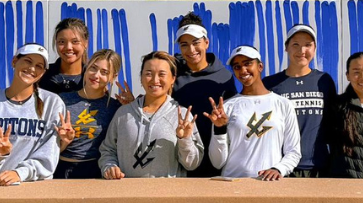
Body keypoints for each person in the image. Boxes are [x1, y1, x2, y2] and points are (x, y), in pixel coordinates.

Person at [0, 44, 65, 186]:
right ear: (14, 61)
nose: (32, 68)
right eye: (28, 61)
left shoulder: (52, 103)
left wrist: (19, 173)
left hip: (34, 188)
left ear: (43, 72)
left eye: (39, 66)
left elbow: (48, 155)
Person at [99, 51, 203, 178]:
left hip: (167, 195)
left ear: (172, 79)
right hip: (127, 194)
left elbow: (192, 164)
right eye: (148, 74)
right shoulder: (123, 113)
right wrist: (109, 167)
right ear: (141, 78)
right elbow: (107, 150)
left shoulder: (182, 116)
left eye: (162, 74)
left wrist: (185, 140)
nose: (155, 80)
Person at [206, 46, 301, 180]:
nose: (243, 70)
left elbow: (293, 152)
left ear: (260, 66)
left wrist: (278, 169)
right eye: (237, 67)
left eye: (247, 64)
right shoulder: (226, 108)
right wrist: (219, 129)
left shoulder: (283, 104)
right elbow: (217, 162)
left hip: (269, 185)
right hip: (233, 185)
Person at [262, 24, 338, 177]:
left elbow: (332, 124)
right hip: (280, 168)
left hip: (319, 167)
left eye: (308, 45)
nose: (302, 51)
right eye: (295, 44)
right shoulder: (270, 83)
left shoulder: (324, 81)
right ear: (286, 48)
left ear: (315, 48)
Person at [171, 12, 238, 177]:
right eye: (184, 44)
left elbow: (230, 121)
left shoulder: (224, 77)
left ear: (206, 43)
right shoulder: (172, 72)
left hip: (216, 163)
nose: (191, 50)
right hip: (180, 162)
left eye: (196, 43)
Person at [53, 49, 124, 179]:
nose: (96, 75)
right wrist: (64, 142)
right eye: (93, 68)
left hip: (96, 172)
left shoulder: (115, 107)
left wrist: (130, 105)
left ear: (113, 77)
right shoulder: (62, 100)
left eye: (104, 72)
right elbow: (47, 147)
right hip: (61, 169)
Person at [41, 18, 89, 94]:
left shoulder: (92, 78)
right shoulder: (42, 74)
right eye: (62, 42)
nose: (68, 47)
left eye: (75, 41)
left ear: (86, 43)